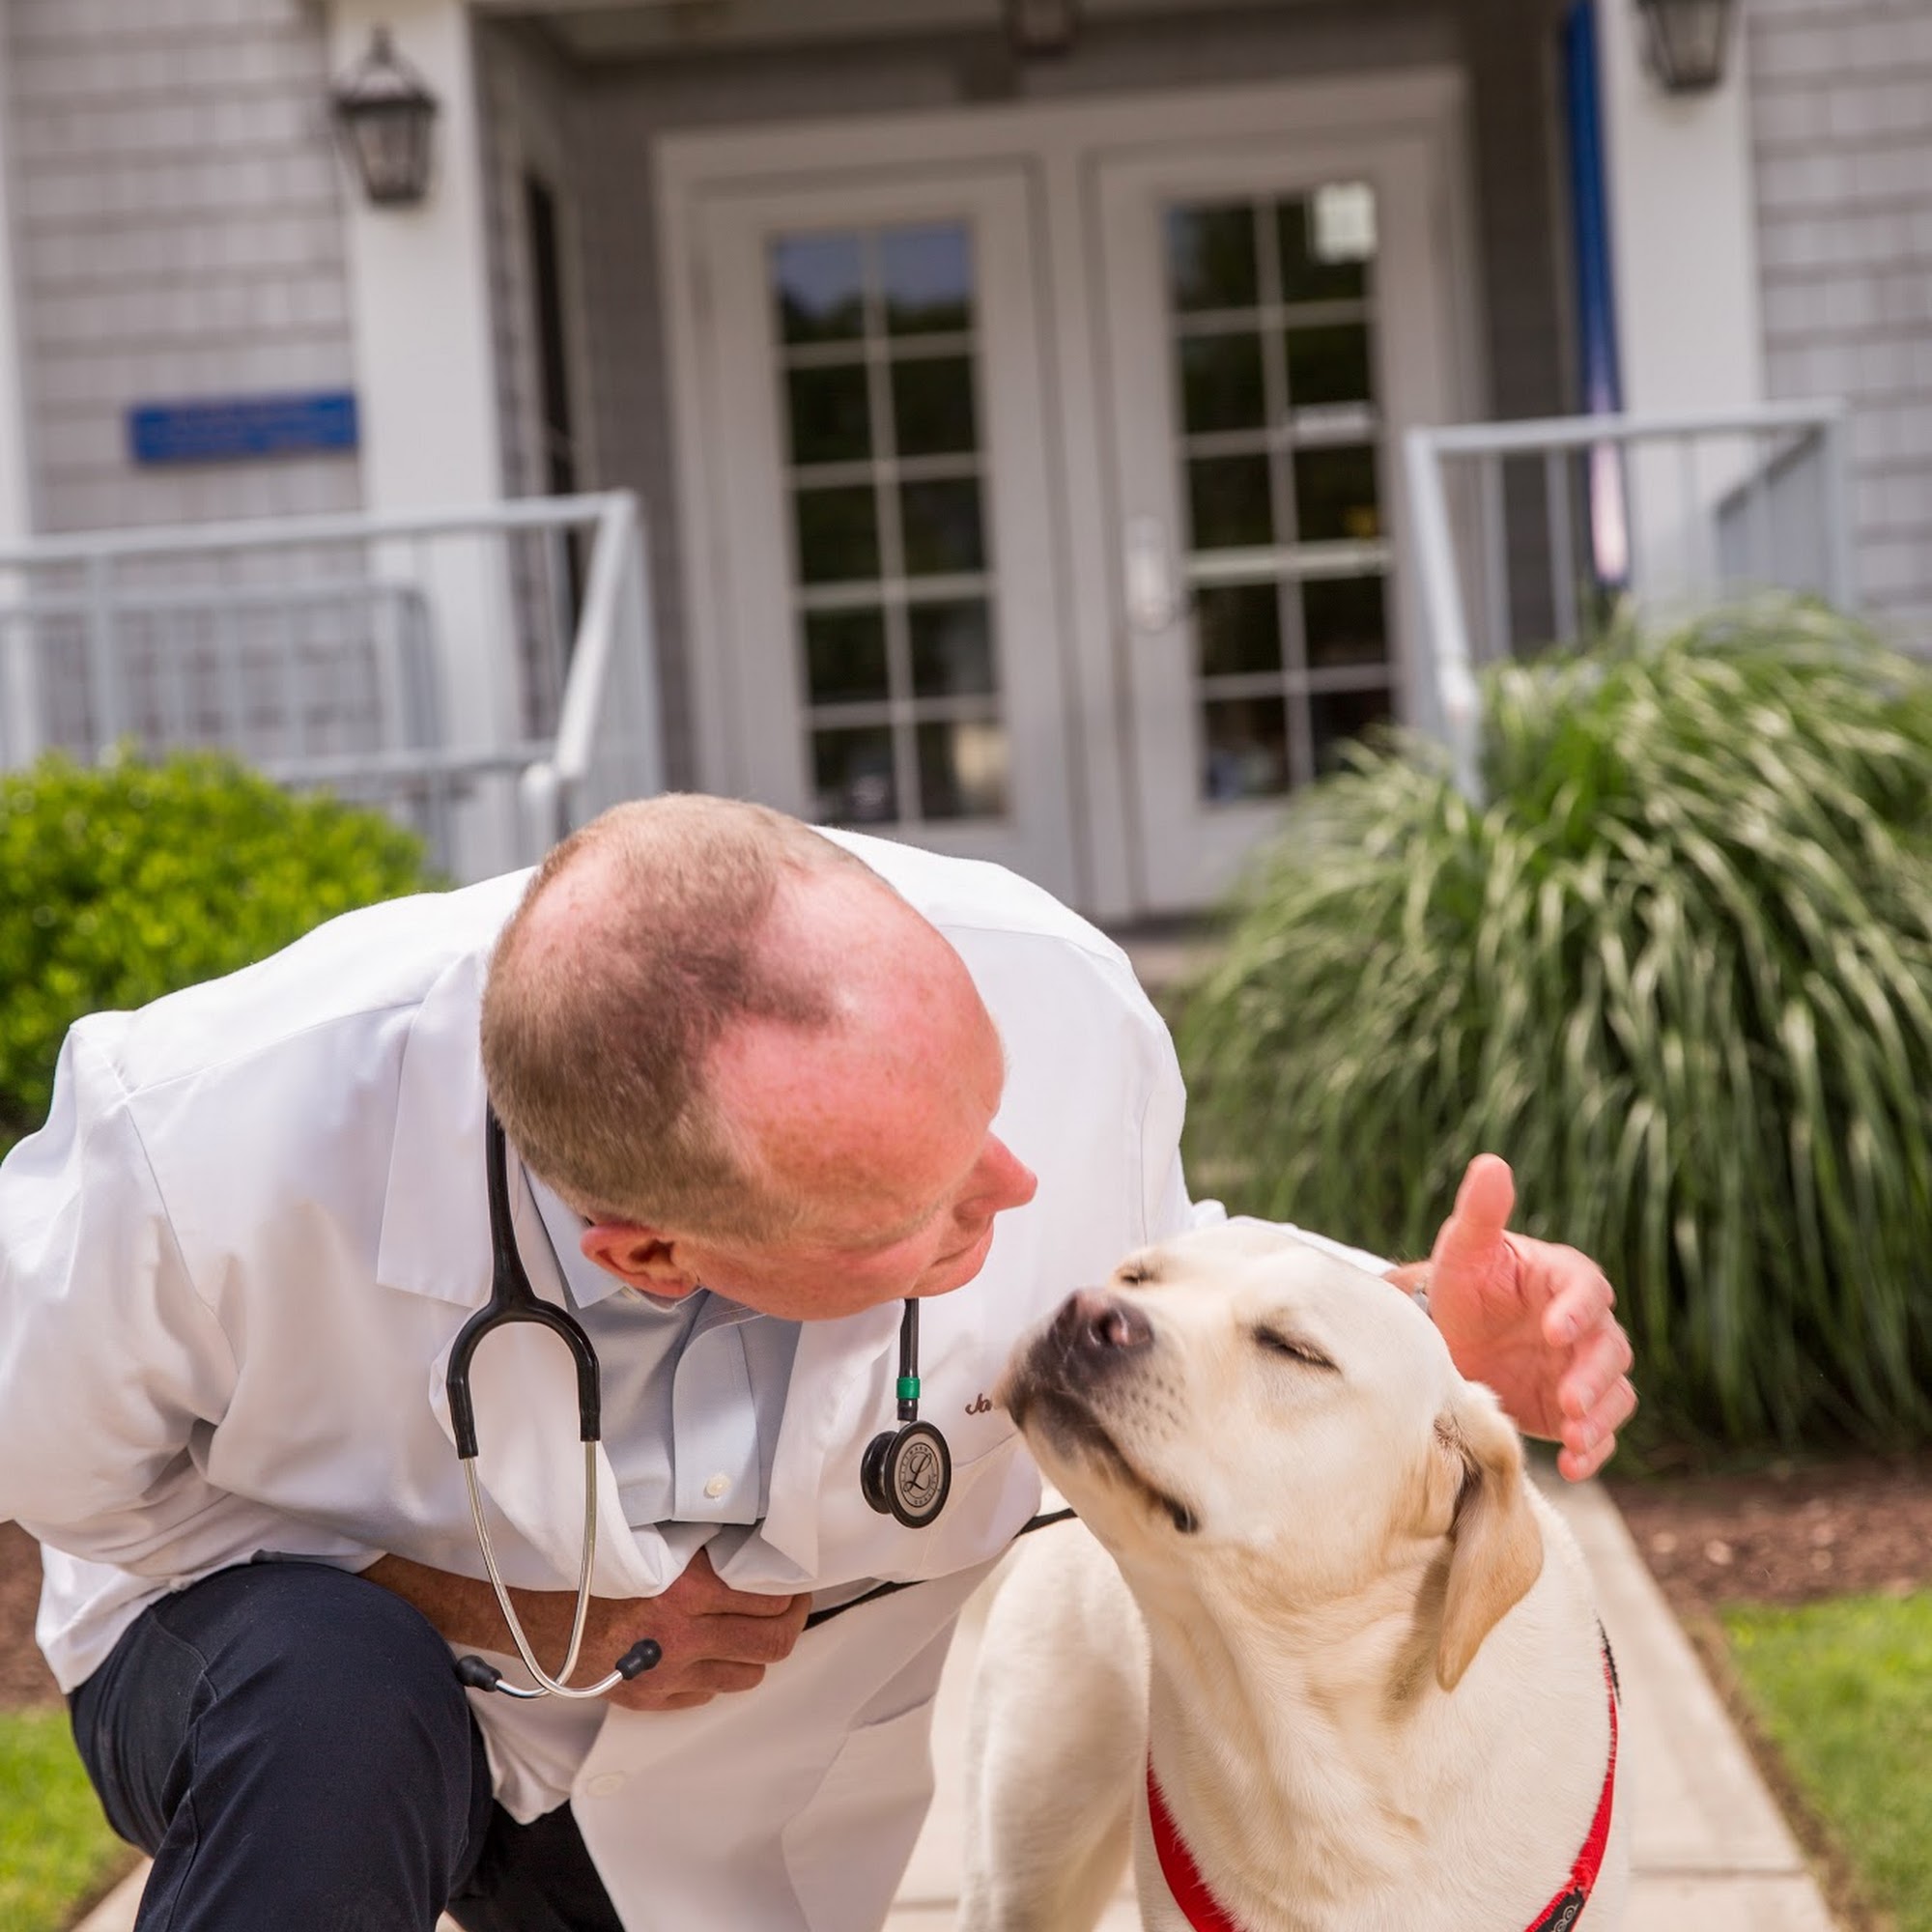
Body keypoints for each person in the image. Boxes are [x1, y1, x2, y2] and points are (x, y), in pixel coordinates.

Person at [0, 796, 1635, 1932]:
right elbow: (85, 1499)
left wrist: (1417, 1327)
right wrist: (495, 1607)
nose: (1009, 1193)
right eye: (918, 1210)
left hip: (718, 1771)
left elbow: (1165, 1264)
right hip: (299, 1669)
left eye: (988, 1127)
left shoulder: (1049, 992)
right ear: (647, 1246)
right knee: (330, 1705)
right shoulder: (189, 1153)